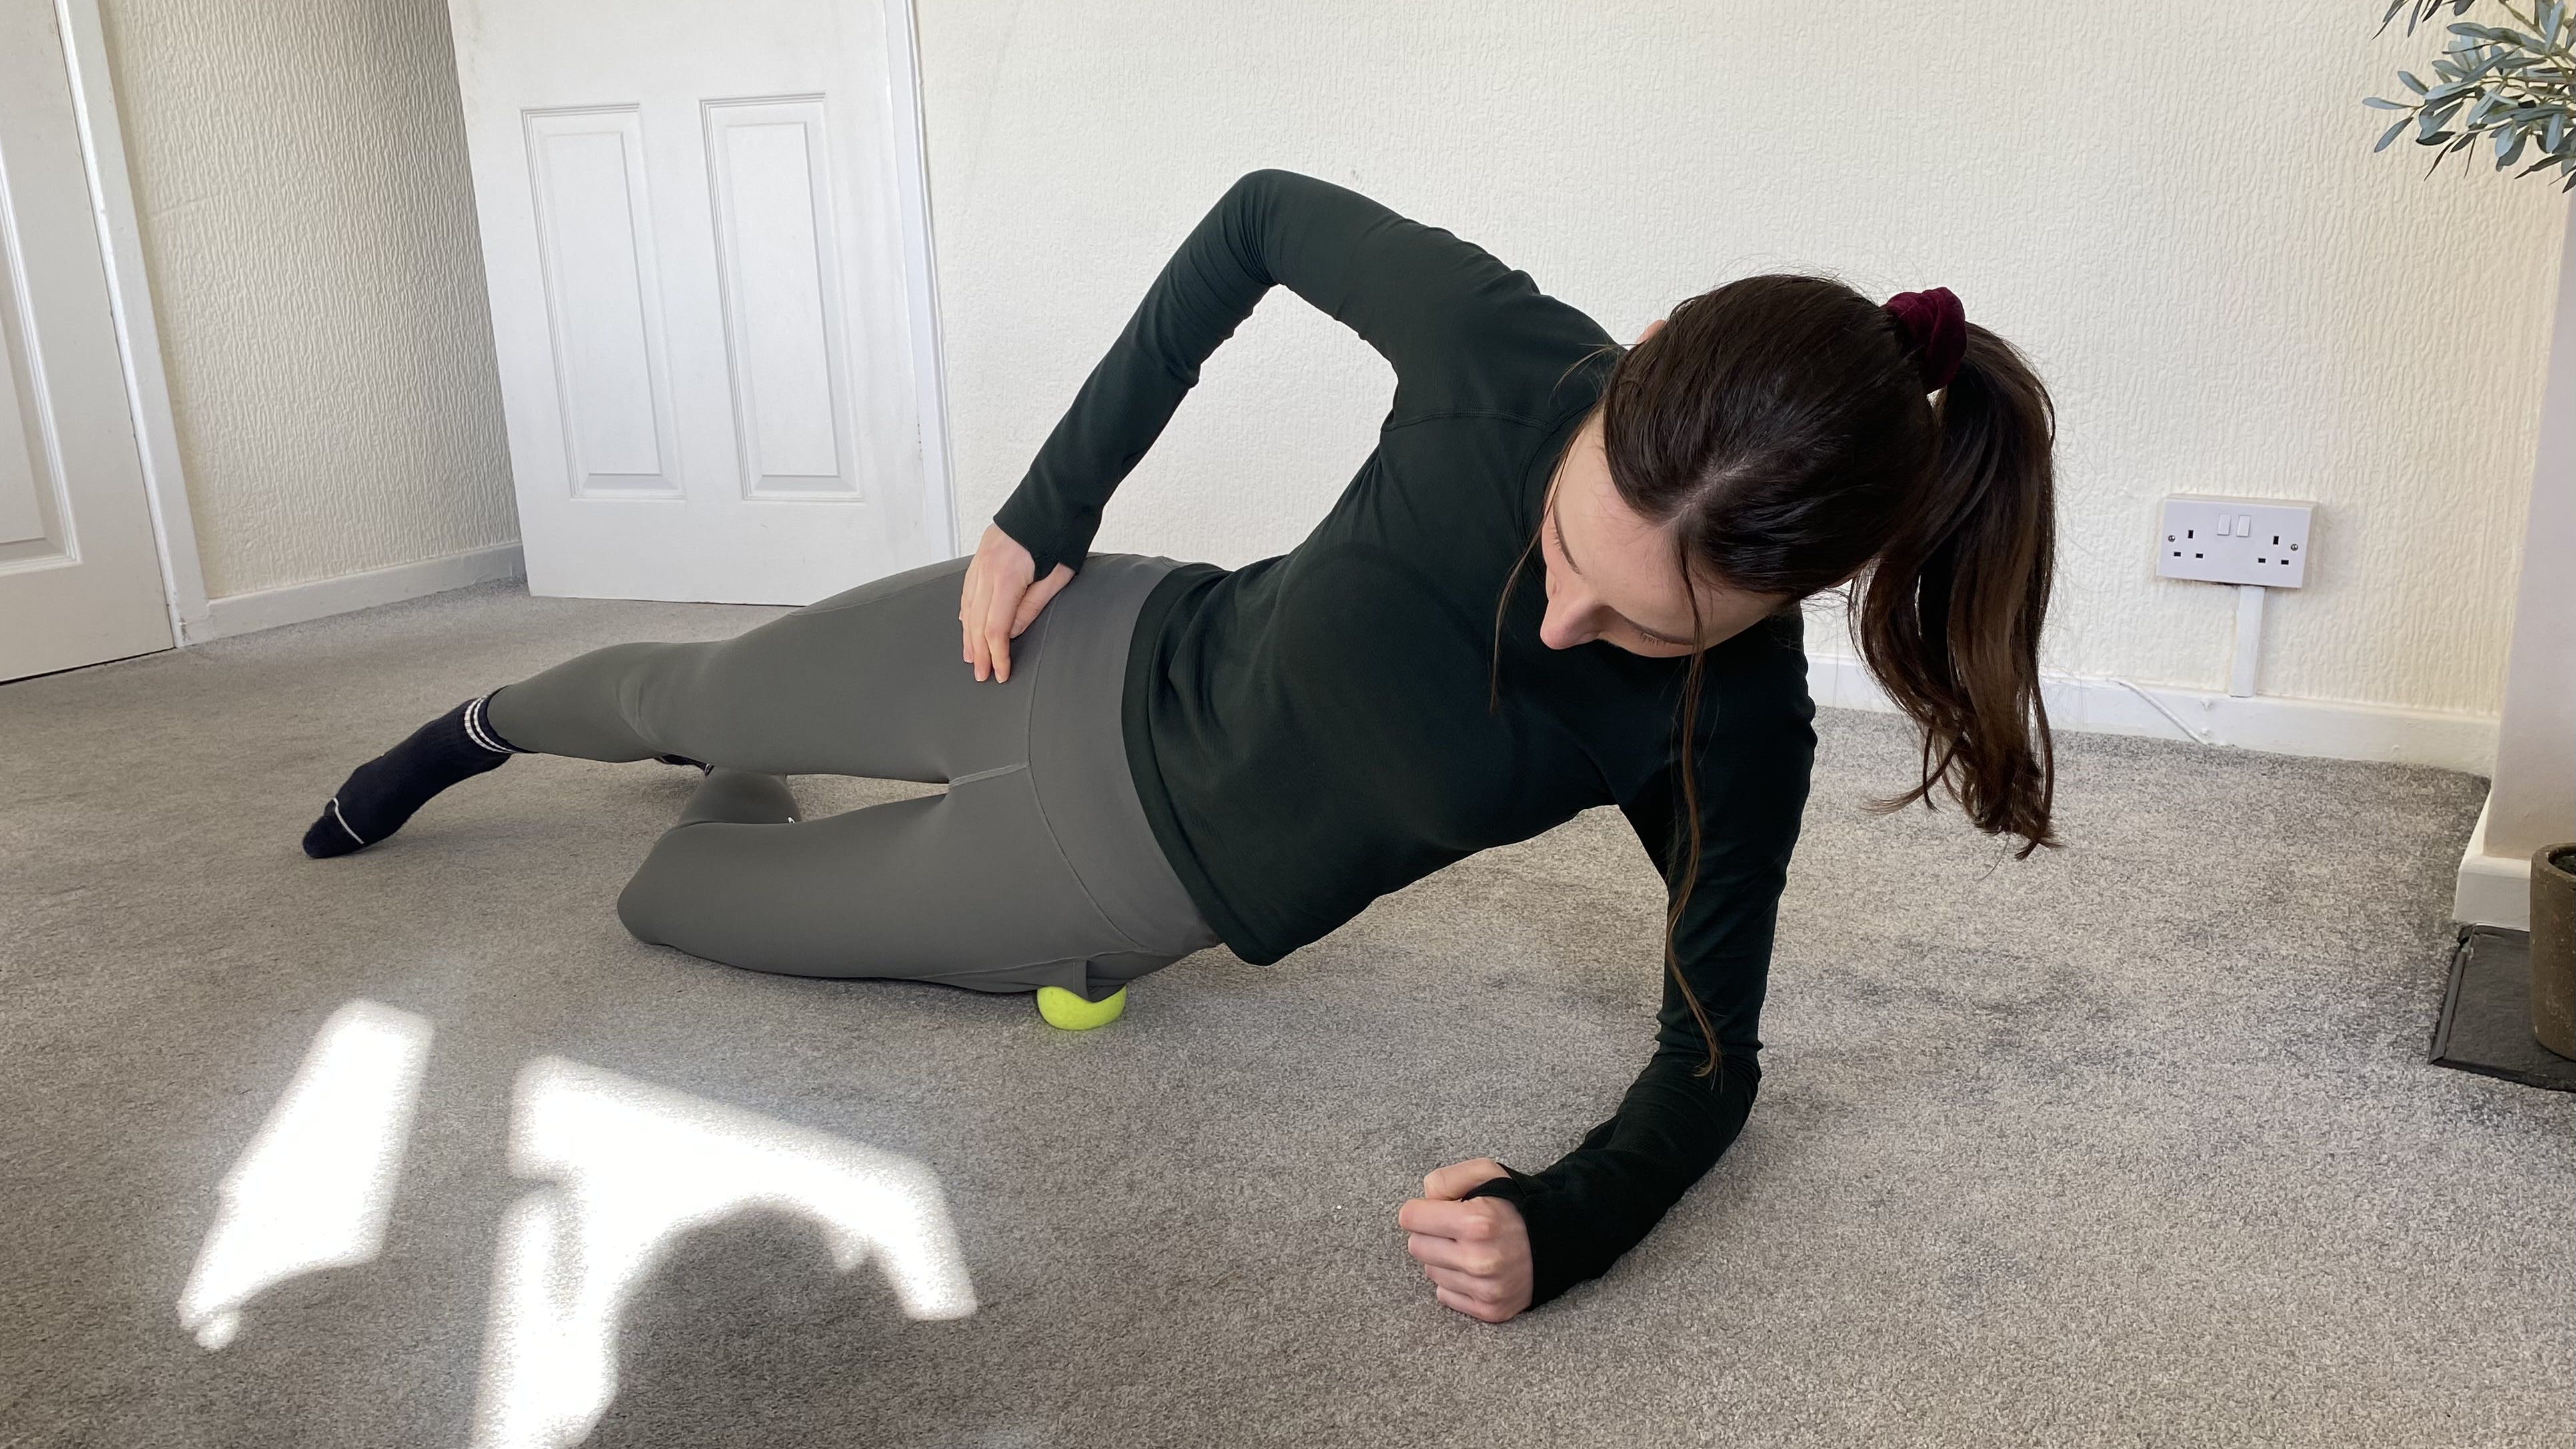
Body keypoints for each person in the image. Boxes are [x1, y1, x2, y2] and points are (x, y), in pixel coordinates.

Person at [301, 168, 2059, 1324]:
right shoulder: (1504, 356)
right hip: (1070, 637)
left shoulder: (1734, 733)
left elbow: (1709, 1059)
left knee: (670, 902)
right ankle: (473, 729)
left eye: (1640, 626)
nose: (1559, 631)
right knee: (689, 695)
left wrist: (1565, 1223)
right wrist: (1039, 513)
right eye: (1566, 548)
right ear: (1641, 362)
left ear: (1792, 601)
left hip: (1087, 894)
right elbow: (1259, 219)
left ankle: (754, 810)